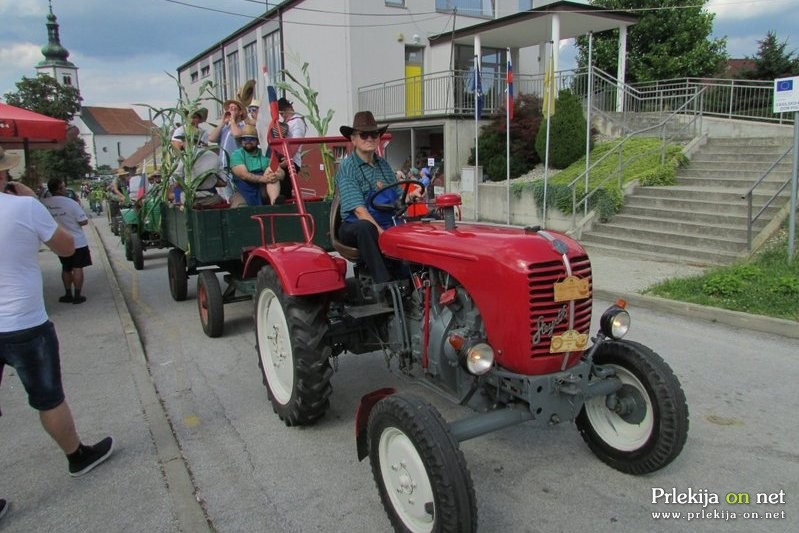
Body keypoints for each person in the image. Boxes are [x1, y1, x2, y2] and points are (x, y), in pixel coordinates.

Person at [0, 147, 114, 523]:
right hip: (23, 322)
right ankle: (76, 456)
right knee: (48, 399)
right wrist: (33, 203)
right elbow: (66, 246)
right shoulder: (23, 207)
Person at [336, 111, 418, 285]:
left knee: (423, 224)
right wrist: (385, 235)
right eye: (364, 135)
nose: (370, 138)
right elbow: (359, 211)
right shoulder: (348, 168)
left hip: (386, 220)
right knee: (366, 228)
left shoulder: (383, 165)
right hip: (354, 225)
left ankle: (419, 279)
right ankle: (384, 284)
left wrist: (411, 196)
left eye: (374, 134)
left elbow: (397, 199)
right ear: (353, 139)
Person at [41, 178, 92, 304]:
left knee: (66, 268)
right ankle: (77, 295)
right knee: (78, 267)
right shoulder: (70, 203)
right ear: (59, 189)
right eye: (63, 187)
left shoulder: (44, 203)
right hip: (77, 241)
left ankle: (68, 293)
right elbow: (83, 221)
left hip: (60, 241)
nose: (64, 189)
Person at [229, 124, 284, 207]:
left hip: (263, 188)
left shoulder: (265, 154)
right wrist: (264, 179)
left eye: (251, 139)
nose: (248, 141)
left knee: (272, 171)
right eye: (245, 139)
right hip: (243, 190)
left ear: (258, 141)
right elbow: (244, 175)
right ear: (241, 141)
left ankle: (274, 204)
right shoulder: (237, 154)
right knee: (239, 206)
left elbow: (281, 172)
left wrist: (277, 175)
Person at [170, 130, 227, 208]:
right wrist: (210, 180)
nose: (182, 144)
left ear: (189, 141)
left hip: (189, 200)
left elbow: (176, 182)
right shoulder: (214, 155)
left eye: (183, 141)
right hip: (211, 199)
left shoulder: (185, 157)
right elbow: (224, 183)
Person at [276, 97, 306, 201]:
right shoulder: (288, 122)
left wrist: (287, 159)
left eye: (284, 112)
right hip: (286, 159)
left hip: (291, 161)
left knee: (284, 191)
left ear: (290, 108)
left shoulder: (297, 122)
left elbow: (295, 143)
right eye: (282, 113)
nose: (283, 116)